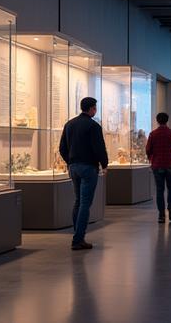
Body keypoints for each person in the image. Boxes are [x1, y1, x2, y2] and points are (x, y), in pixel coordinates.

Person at [59, 97, 108, 250]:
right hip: (88, 168)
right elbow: (99, 147)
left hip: (74, 167)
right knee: (85, 204)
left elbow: (62, 148)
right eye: (95, 108)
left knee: (79, 201)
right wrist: (104, 164)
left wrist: (70, 161)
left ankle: (78, 234)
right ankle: (78, 239)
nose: (96, 110)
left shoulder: (69, 124)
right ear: (92, 108)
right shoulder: (93, 126)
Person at [146, 112, 171, 224]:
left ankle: (161, 215)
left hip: (157, 165)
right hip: (170, 164)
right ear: (167, 120)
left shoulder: (153, 134)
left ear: (157, 121)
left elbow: (148, 150)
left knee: (159, 190)